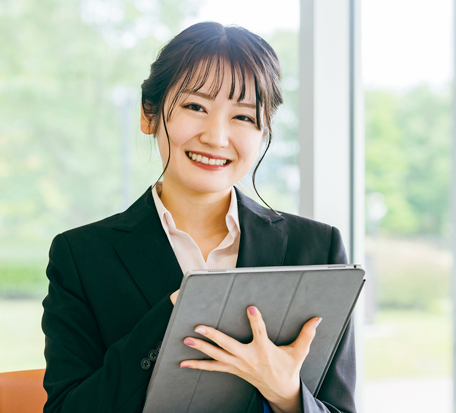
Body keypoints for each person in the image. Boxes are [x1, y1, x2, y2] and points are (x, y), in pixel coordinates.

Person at [41, 21, 356, 413]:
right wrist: (178, 312)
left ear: (263, 131)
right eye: (195, 107)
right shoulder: (82, 256)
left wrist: (288, 396)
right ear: (149, 114)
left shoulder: (316, 248)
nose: (216, 137)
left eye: (243, 117)